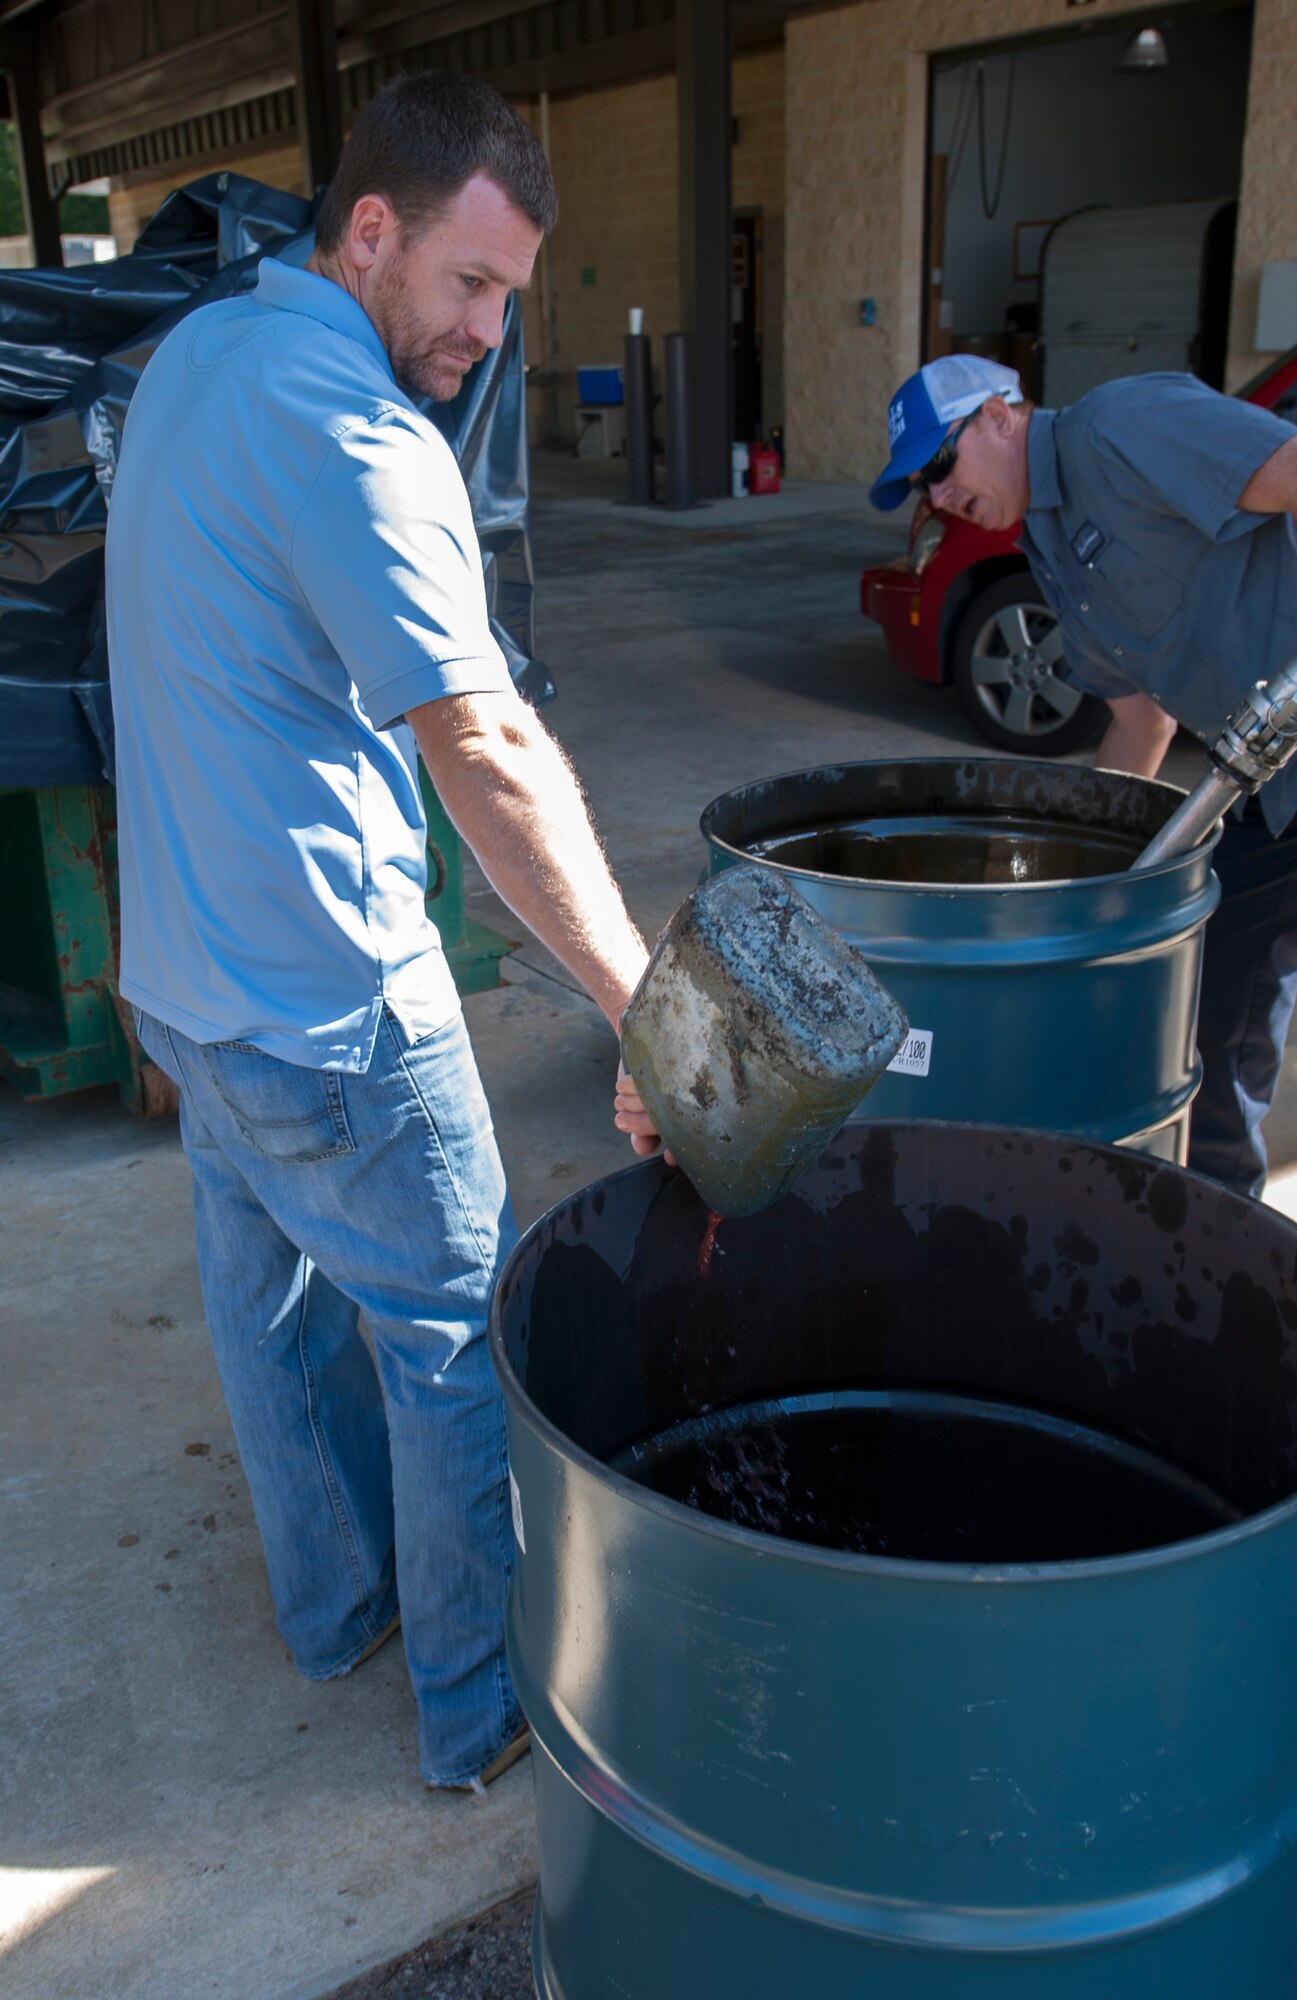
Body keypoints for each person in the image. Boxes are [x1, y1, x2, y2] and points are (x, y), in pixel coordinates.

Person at [107, 73, 660, 1792]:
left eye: (510, 295)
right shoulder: (357, 434)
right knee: (448, 1351)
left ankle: (334, 1610)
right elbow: (481, 745)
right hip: (334, 1010)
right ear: (368, 232)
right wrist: (641, 1005)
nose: (490, 332)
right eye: (470, 284)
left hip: (188, 987)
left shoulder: (199, 356)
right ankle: (474, 1706)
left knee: (269, 1312)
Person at [869, 353, 1297, 1392]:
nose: (939, 494)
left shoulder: (1118, 426)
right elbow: (1138, 715)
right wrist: (1104, 890)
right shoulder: (1045, 541)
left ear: (1001, 413)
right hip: (1265, 763)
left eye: (941, 462)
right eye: (921, 485)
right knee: (1205, 1011)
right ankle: (1226, 1258)